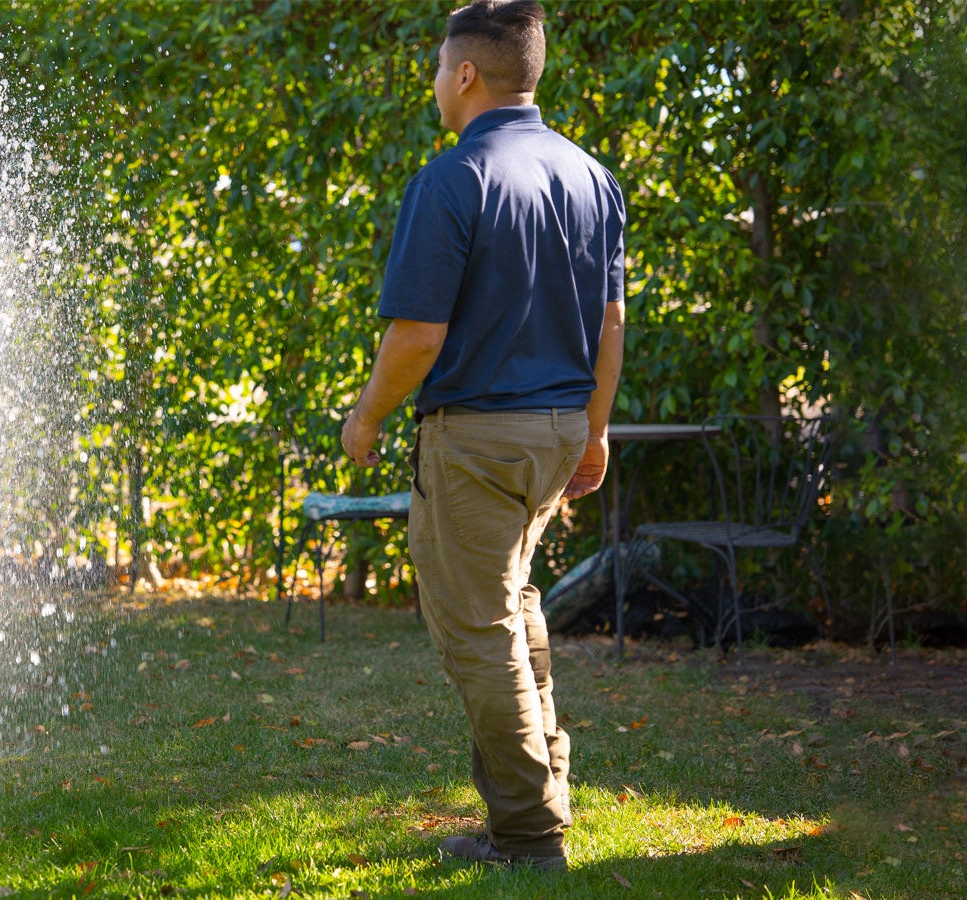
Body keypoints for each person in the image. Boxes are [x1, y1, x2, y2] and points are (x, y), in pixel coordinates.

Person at [339, 0, 626, 872]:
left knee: (477, 630)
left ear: (465, 73)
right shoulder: (591, 177)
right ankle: (534, 810)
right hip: (555, 433)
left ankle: (532, 840)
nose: (435, 84)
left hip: (477, 438)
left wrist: (368, 414)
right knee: (514, 605)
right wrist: (595, 432)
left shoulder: (452, 181)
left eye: (437, 68)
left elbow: (418, 337)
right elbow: (610, 322)